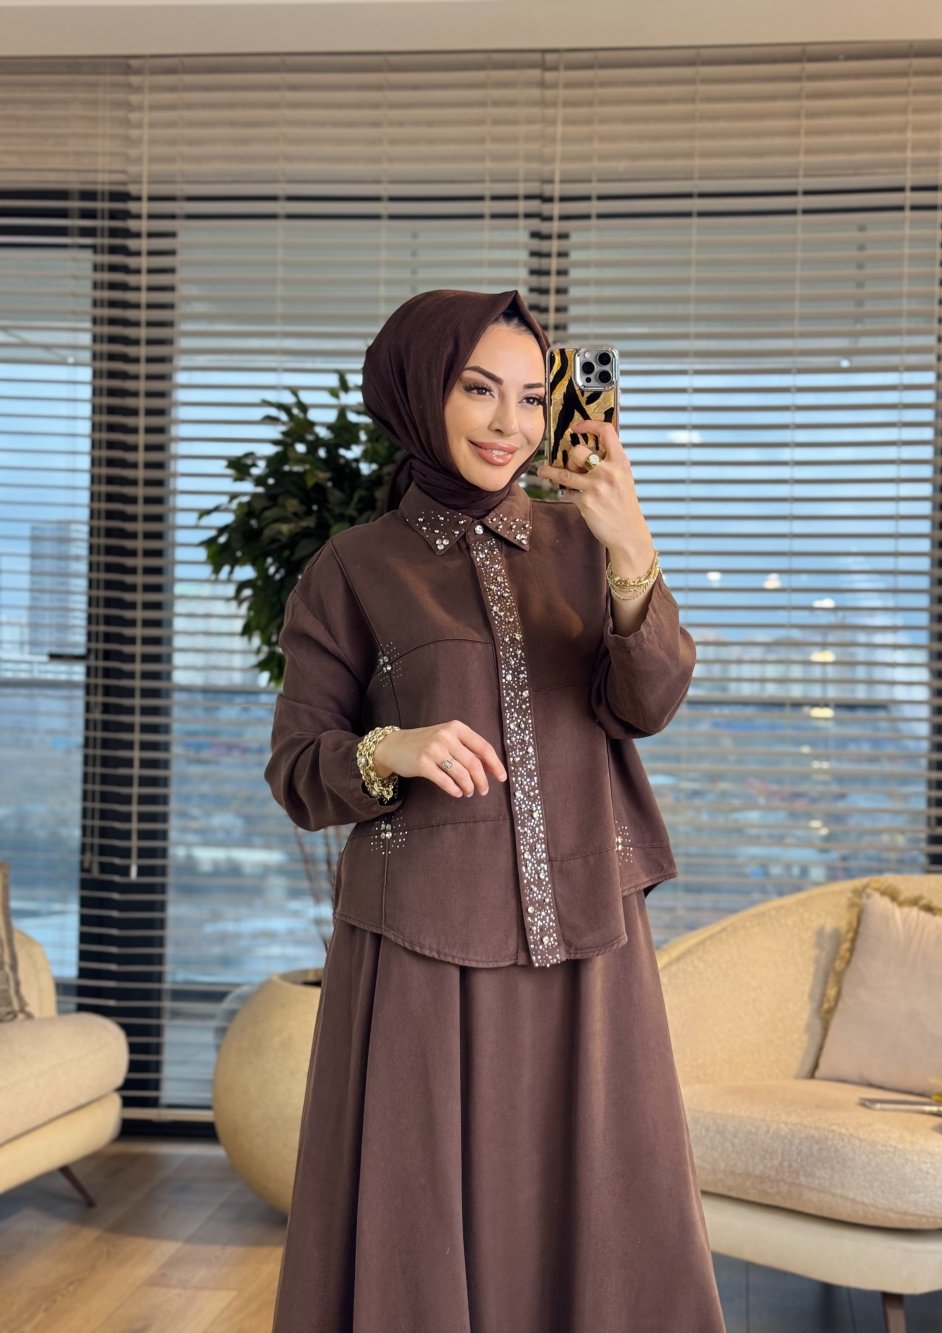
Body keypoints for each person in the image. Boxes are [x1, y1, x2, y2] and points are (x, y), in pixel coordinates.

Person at [265, 288, 727, 1332]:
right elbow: (297, 768)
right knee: (424, 1208)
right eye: (478, 389)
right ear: (419, 392)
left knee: (605, 1205)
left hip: (590, 937)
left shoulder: (583, 544)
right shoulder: (352, 571)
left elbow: (645, 704)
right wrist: (389, 748)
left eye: (529, 396)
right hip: (423, 945)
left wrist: (630, 550)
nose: (508, 423)